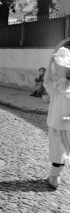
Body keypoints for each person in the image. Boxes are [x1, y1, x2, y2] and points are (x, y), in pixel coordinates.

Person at [43, 53, 70, 189]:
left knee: (65, 154)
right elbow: (46, 80)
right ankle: (53, 177)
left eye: (64, 79)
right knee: (58, 154)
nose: (61, 81)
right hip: (55, 127)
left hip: (68, 128)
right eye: (59, 79)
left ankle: (54, 176)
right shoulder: (54, 91)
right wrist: (50, 62)